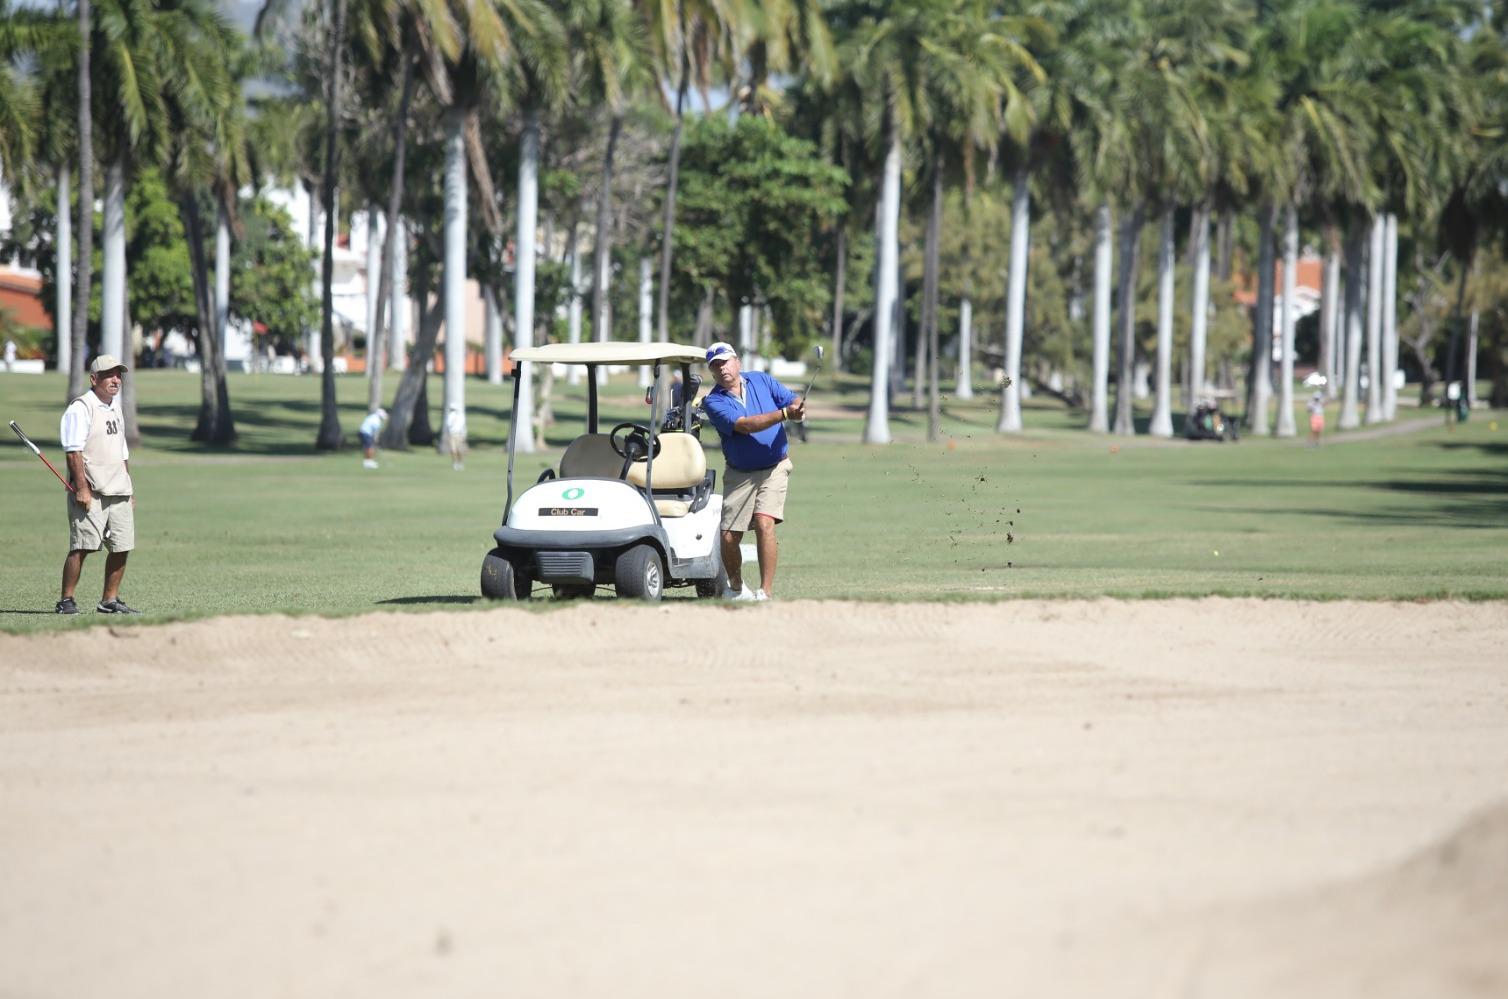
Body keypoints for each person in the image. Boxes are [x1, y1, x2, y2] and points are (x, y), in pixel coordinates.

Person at [701, 341, 804, 601]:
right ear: (712, 372)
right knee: (728, 536)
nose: (722, 369)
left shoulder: (761, 380)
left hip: (775, 466)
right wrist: (784, 414)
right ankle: (736, 587)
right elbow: (745, 426)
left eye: (724, 362)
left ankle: (765, 592)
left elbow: (792, 399)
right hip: (740, 473)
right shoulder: (713, 401)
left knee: (764, 522)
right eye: (715, 366)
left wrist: (798, 409)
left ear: (737, 361)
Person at [56, 354, 138, 614]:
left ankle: (109, 600)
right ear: (94, 379)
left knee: (122, 546)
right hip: (92, 490)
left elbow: (122, 451)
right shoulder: (81, 407)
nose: (115, 380)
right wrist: (81, 488)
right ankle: (66, 600)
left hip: (119, 489)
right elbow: (73, 452)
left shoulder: (116, 406)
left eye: (118, 375)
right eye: (109, 375)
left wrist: (129, 487)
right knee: (82, 546)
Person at [445, 404, 466, 471]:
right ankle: (455, 463)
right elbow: (448, 426)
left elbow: (463, 426)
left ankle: (460, 463)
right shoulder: (450, 416)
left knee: (459, 450)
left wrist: (463, 435)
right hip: (452, 434)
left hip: (459, 434)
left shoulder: (460, 416)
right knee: (453, 450)